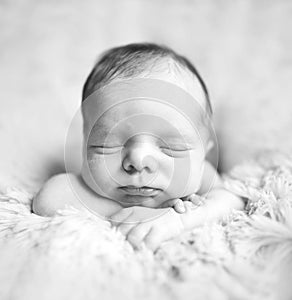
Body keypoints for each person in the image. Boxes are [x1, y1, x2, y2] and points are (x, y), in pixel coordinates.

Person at [33, 43, 244, 251]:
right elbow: (47, 200)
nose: (138, 160)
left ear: (203, 152)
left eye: (172, 146)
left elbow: (231, 202)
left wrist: (179, 221)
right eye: (108, 144)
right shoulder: (81, 188)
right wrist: (126, 215)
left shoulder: (201, 174)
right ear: (84, 144)